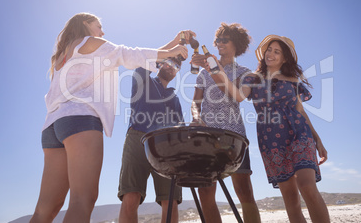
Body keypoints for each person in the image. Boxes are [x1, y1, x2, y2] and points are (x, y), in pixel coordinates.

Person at [30, 12, 188, 223]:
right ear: (85, 24)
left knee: (45, 210)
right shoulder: (89, 41)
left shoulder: (62, 55)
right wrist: (172, 49)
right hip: (80, 120)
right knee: (82, 200)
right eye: (98, 26)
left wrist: (173, 45)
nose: (102, 32)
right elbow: (128, 54)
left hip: (53, 125)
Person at [209, 34, 330, 223]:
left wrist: (317, 140)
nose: (270, 54)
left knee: (307, 186)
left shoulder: (292, 79)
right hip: (271, 139)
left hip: (299, 133)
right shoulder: (252, 78)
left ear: (284, 58)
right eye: (269, 50)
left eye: (277, 51)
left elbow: (301, 111)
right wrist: (216, 70)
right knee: (290, 199)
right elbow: (238, 96)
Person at [117, 30, 195, 223]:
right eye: (169, 60)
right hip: (138, 139)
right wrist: (176, 42)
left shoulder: (174, 98)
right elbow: (146, 57)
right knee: (131, 196)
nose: (172, 65)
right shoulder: (142, 79)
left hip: (167, 147)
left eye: (177, 65)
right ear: (160, 62)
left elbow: (181, 130)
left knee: (170, 200)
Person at [190, 23, 261, 223]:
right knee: (205, 191)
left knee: (244, 191)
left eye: (225, 40)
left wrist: (214, 67)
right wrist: (196, 118)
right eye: (218, 40)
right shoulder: (204, 72)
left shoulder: (245, 73)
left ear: (236, 45)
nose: (219, 44)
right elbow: (196, 102)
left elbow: (234, 95)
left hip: (233, 136)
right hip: (206, 138)